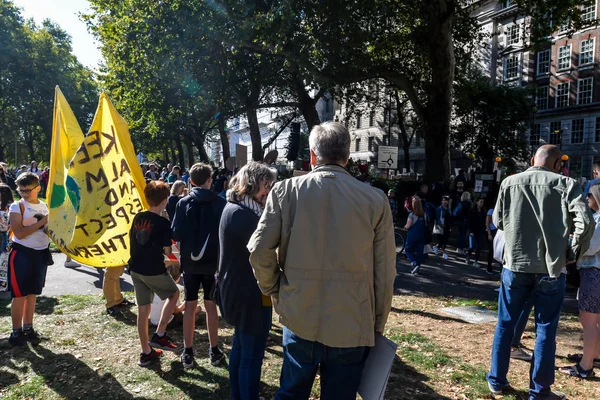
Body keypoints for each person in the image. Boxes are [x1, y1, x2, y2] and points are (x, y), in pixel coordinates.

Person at [248, 122, 396, 399]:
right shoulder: (375, 200)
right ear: (348, 157)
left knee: (291, 393)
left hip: (299, 312)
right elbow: (385, 272)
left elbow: (259, 250)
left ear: (313, 156)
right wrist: (377, 322)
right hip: (352, 322)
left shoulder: (285, 192)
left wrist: (274, 289)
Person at [487, 145, 594, 400]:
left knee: (505, 324)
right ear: (558, 164)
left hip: (515, 265)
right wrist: (572, 253)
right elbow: (586, 222)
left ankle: (497, 381)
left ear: (532, 159)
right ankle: (539, 391)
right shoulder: (567, 185)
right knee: (546, 329)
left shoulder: (510, 182)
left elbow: (498, 221)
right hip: (551, 268)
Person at [219, 162, 277, 400]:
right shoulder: (246, 216)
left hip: (238, 291)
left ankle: (238, 395)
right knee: (251, 356)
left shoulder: (236, 208)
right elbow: (268, 249)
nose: (269, 191)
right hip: (248, 295)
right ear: (253, 184)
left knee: (241, 350)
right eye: (267, 185)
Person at [172, 162, 227, 368]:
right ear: (210, 180)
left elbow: (175, 233)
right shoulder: (221, 203)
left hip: (190, 263)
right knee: (211, 306)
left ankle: (187, 351)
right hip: (213, 264)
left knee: (190, 305)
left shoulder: (183, 203)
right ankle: (214, 350)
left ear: (191, 181)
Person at [129, 180, 179, 367]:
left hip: (135, 269)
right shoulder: (163, 222)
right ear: (165, 200)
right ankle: (160, 334)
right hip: (152, 269)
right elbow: (167, 252)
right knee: (174, 294)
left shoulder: (137, 217)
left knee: (143, 310)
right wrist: (178, 261)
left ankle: (146, 352)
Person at [559, 182, 600, 379]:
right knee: (596, 320)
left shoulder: (598, 220)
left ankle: (585, 367)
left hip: (593, 272)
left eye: (589, 196)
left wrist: (572, 243)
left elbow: (589, 248)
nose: (586, 199)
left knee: (588, 320)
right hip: (595, 273)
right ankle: (594, 355)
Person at [6, 173, 50, 346]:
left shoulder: (45, 206)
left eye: (27, 191)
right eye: (20, 190)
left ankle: (28, 328)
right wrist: (42, 222)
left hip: (40, 253)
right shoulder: (17, 206)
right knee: (19, 295)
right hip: (21, 254)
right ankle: (16, 332)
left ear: (38, 188)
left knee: (32, 294)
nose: (23, 194)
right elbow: (19, 233)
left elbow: (47, 231)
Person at [405, 196, 426, 274]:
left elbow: (408, 226)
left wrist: (405, 226)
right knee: (419, 252)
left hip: (412, 235)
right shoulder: (424, 215)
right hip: (421, 235)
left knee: (408, 250)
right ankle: (418, 266)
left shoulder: (412, 215)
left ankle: (413, 262)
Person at [466, 197, 486, 268]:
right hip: (473, 230)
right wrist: (471, 231)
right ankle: (468, 256)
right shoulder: (472, 211)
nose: (482, 204)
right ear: (477, 202)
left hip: (480, 230)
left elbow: (484, 221)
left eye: (482, 202)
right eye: (480, 202)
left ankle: (476, 261)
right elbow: (469, 221)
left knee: (479, 246)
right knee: (471, 246)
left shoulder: (483, 211)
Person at [453, 191, 472, 255]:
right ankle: (461, 248)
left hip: (460, 220)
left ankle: (459, 248)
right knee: (463, 235)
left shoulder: (460, 203)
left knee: (460, 235)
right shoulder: (470, 204)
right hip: (466, 221)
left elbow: (455, 212)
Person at [433, 196, 451, 260]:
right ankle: (443, 252)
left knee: (445, 240)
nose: (445, 202)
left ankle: (438, 248)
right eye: (444, 200)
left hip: (446, 226)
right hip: (440, 225)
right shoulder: (439, 209)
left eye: (446, 200)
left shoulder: (448, 209)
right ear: (441, 201)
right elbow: (437, 217)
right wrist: (439, 224)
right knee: (441, 240)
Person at [486, 199, 498, 274]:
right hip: (492, 230)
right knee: (491, 249)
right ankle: (489, 267)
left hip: (498, 231)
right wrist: (489, 233)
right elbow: (487, 222)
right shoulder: (491, 210)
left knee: (498, 249)